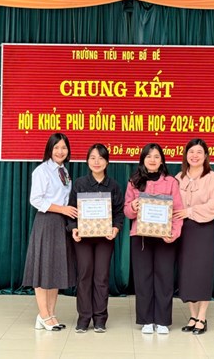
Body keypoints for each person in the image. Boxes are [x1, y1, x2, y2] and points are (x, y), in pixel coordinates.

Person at [124, 143, 183, 335]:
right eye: (148, 156)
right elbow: (127, 211)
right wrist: (133, 206)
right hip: (140, 237)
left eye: (157, 156)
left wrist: (173, 233)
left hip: (164, 237)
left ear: (162, 161)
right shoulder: (134, 182)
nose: (152, 160)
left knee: (164, 278)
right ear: (143, 160)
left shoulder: (171, 182)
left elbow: (178, 211)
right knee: (143, 279)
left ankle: (163, 320)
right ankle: (146, 320)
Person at [22, 133, 78, 331]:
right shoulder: (42, 171)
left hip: (61, 223)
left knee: (56, 269)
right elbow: (36, 200)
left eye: (64, 148)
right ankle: (43, 314)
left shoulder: (64, 171)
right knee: (43, 268)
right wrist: (62, 209)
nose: (60, 151)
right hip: (47, 222)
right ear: (49, 149)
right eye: (56, 148)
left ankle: (51, 314)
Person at [67, 143, 125, 334]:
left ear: (107, 161)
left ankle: (100, 319)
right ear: (87, 161)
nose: (96, 162)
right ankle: (83, 318)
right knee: (84, 275)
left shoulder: (114, 186)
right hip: (83, 238)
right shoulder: (79, 183)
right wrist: (74, 229)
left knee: (101, 277)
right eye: (92, 158)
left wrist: (116, 229)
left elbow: (119, 212)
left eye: (101, 158)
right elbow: (72, 210)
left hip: (105, 238)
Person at [174, 138, 214, 335]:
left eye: (199, 152)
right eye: (191, 152)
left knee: (202, 272)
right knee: (186, 272)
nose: (194, 156)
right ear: (186, 155)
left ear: (205, 156)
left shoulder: (212, 177)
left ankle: (202, 317)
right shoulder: (178, 178)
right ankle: (192, 316)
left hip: (203, 229)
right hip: (182, 230)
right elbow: (172, 203)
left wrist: (190, 211)